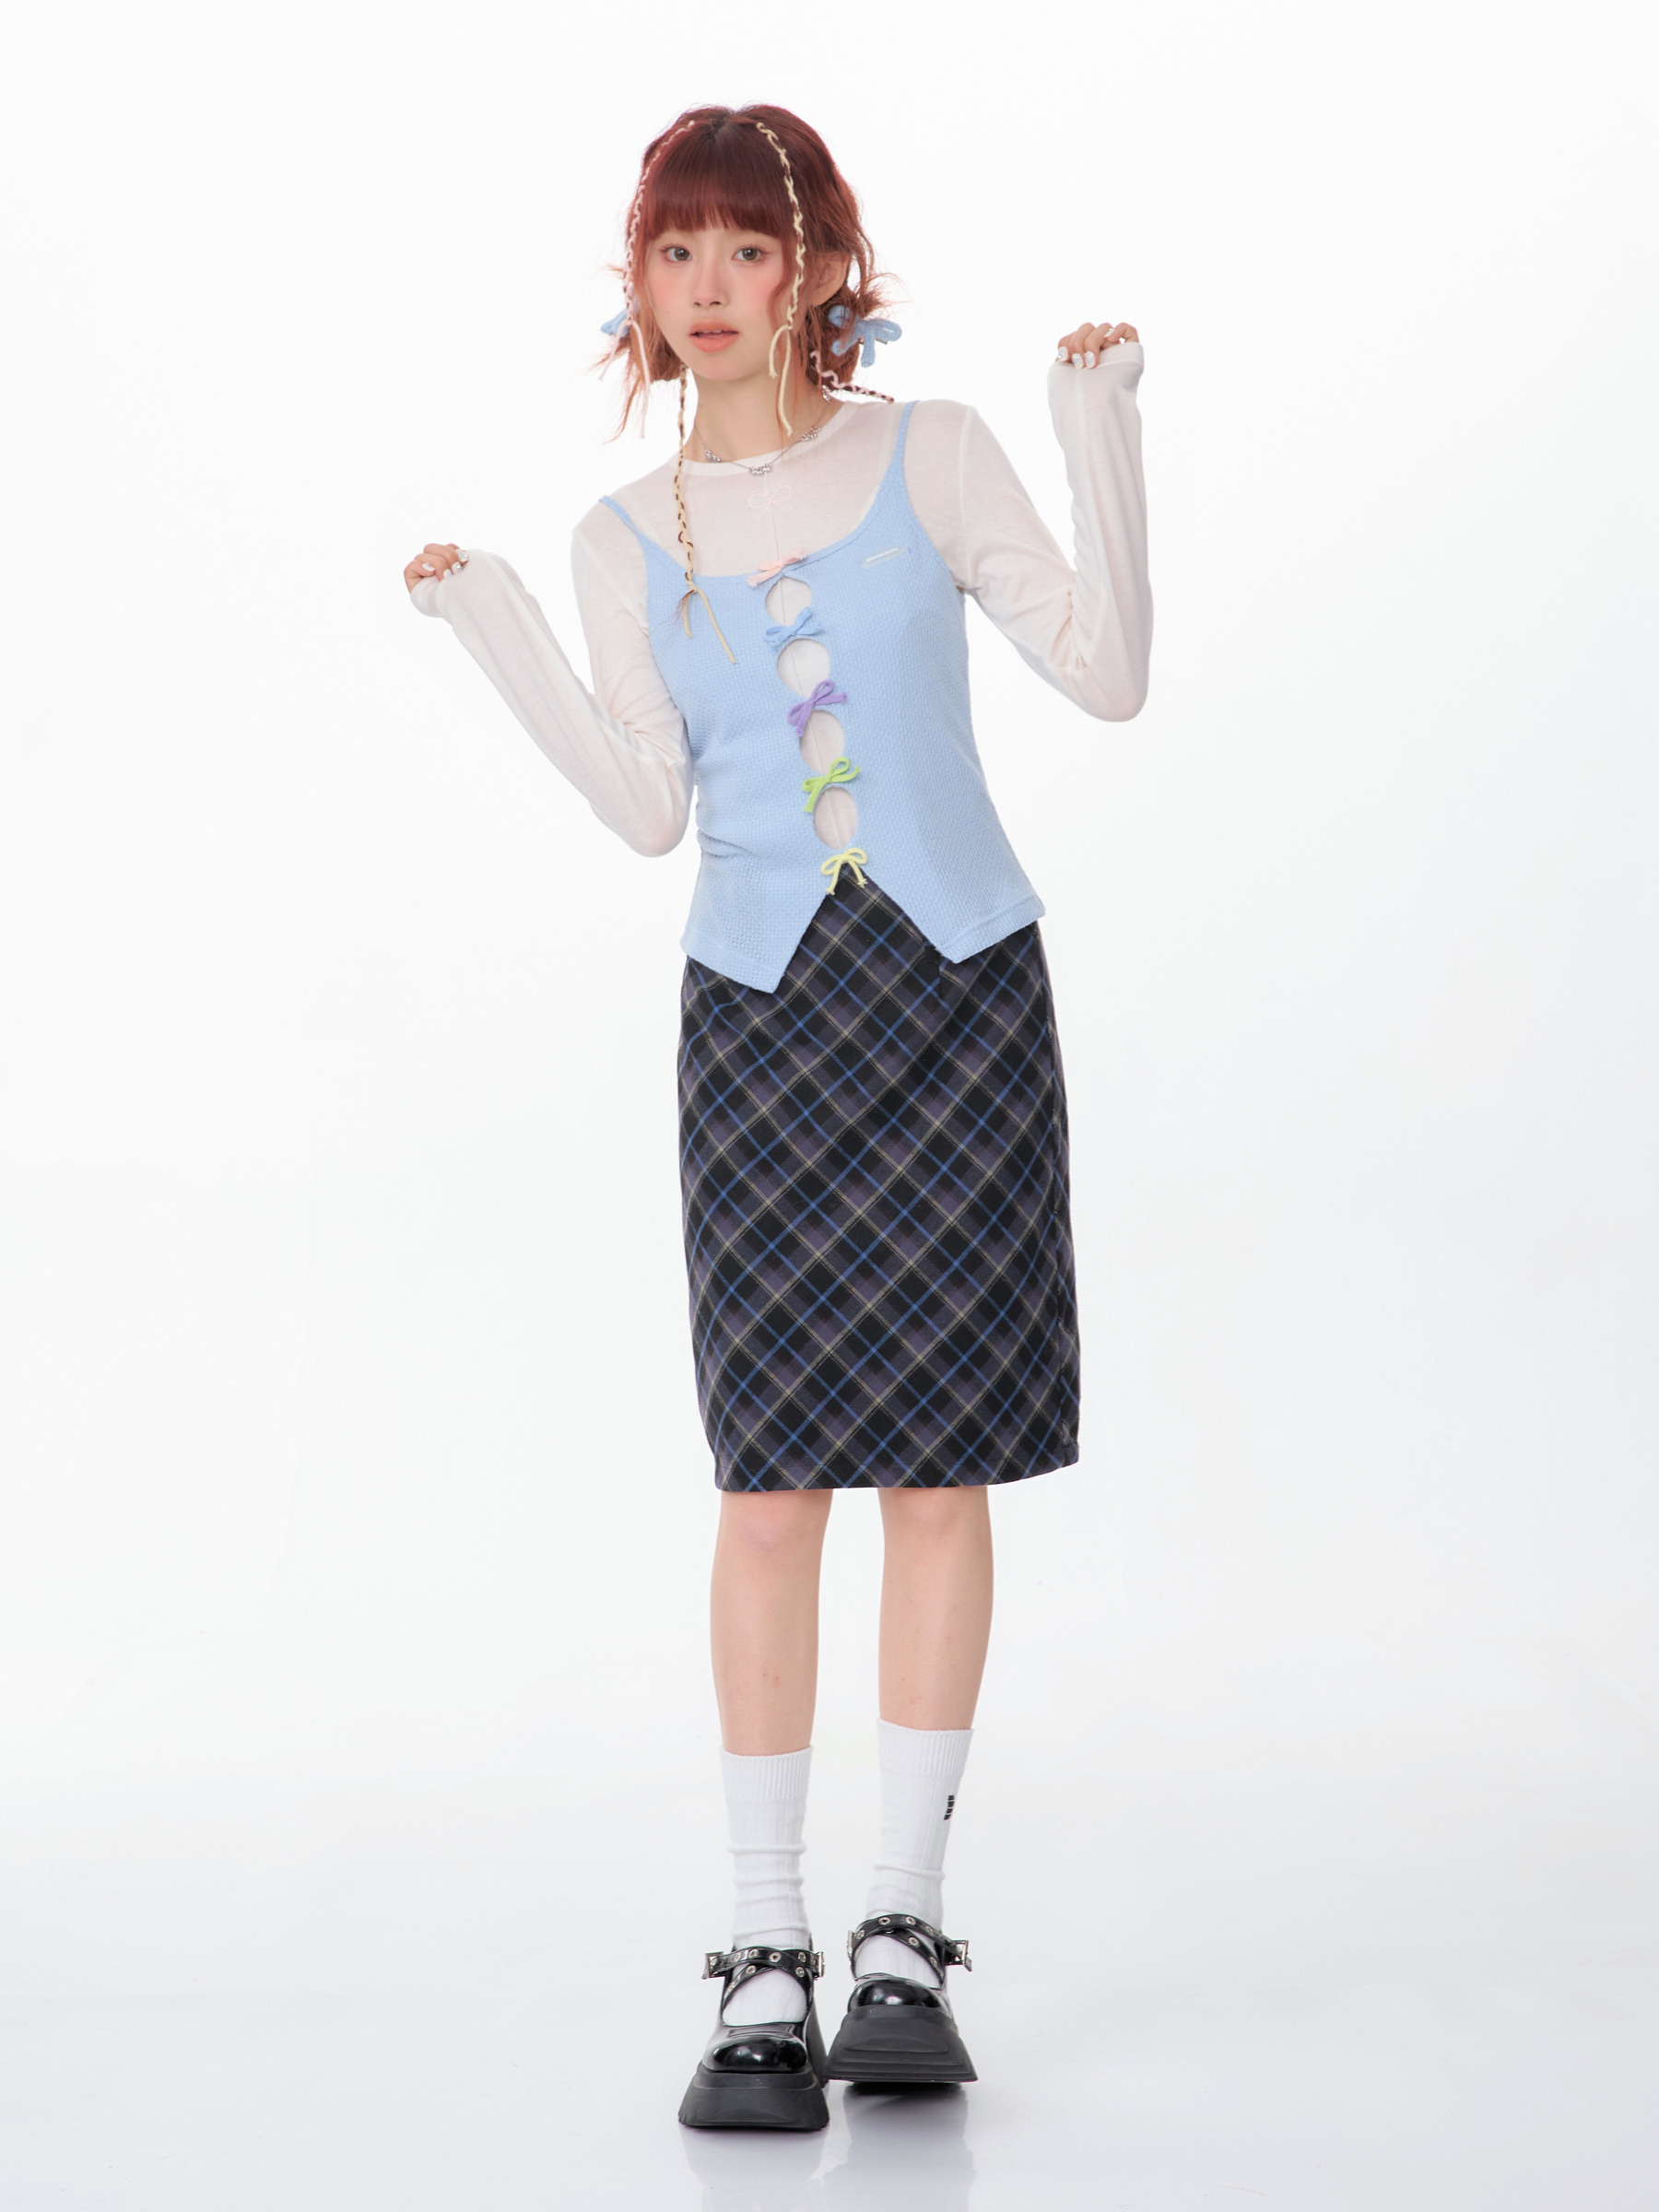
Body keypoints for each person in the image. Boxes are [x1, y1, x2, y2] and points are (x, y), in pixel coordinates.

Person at [404, 101, 1150, 2133]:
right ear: (641, 284)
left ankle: (904, 1932)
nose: (712, 286)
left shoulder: (937, 454)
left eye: (751, 246)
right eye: (678, 251)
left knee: (939, 1471)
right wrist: (494, 625)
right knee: (768, 1490)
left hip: (960, 995)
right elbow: (650, 814)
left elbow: (1106, 676)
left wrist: (1100, 427)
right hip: (759, 1020)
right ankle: (762, 1946)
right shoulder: (620, 543)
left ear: (821, 266)